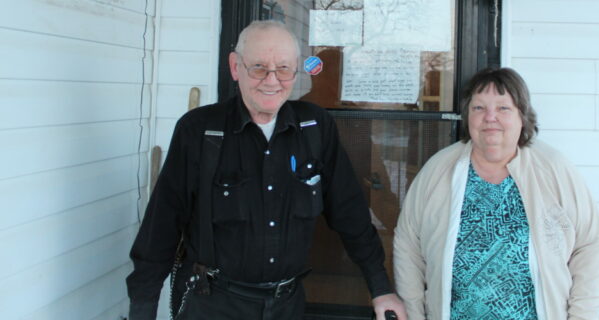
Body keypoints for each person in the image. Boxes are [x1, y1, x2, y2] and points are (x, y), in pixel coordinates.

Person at [127, 20, 406, 320]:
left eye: (283, 69)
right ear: (236, 67)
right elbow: (162, 225)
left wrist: (380, 287)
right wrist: (142, 308)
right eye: (258, 67)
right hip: (213, 304)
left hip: (287, 305)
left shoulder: (314, 127)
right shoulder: (200, 130)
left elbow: (349, 211)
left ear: (296, 69)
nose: (272, 80)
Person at [393, 67, 599, 320]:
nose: (490, 117)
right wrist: (415, 314)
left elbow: (590, 244)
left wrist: (582, 316)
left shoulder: (553, 168)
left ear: (522, 116)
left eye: (503, 108)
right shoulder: (439, 169)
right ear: (467, 116)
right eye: (479, 108)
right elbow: (408, 244)